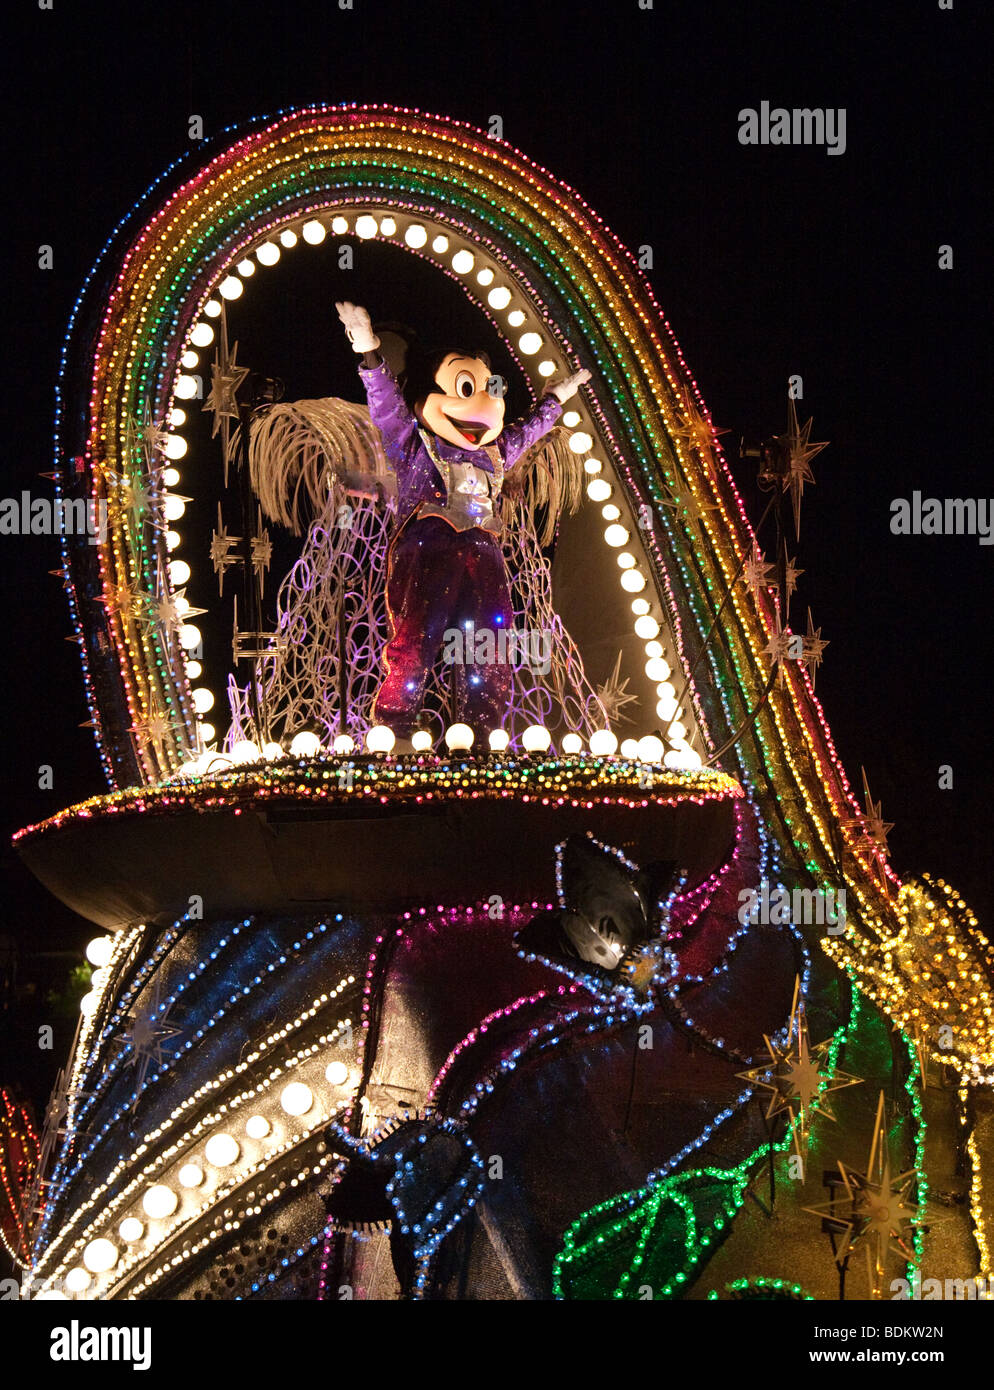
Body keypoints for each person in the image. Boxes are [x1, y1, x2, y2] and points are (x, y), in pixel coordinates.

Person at [335, 301, 590, 738]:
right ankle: (393, 730)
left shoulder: (495, 454)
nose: (483, 403)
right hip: (429, 545)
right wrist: (369, 353)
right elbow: (388, 410)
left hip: (484, 554)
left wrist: (555, 399)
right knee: (417, 638)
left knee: (490, 645)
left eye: (490, 390)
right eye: (465, 386)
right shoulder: (415, 447)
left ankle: (483, 731)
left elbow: (528, 430)